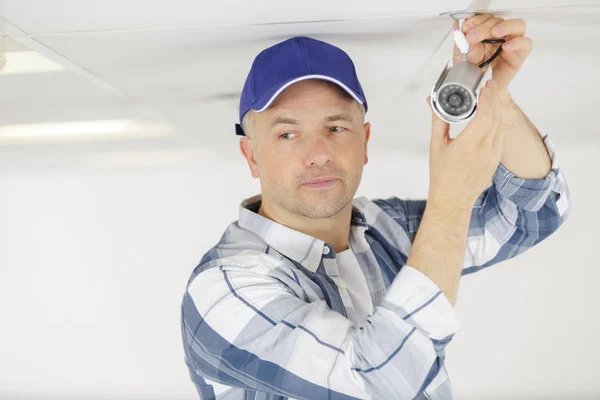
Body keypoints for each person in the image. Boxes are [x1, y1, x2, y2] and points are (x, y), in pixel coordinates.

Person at [181, 13, 571, 400]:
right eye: (288, 134)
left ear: (364, 142)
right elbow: (382, 384)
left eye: (336, 128)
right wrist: (450, 199)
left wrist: (489, 91)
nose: (318, 154)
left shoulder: (386, 229)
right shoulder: (224, 290)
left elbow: (534, 213)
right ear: (251, 156)